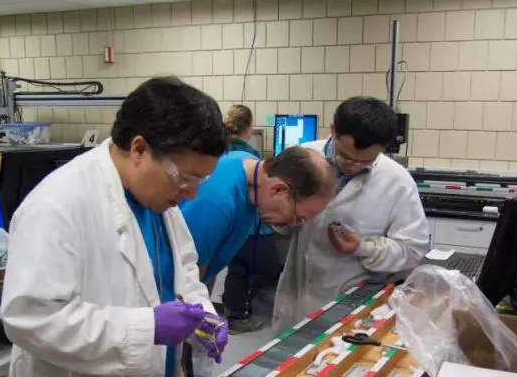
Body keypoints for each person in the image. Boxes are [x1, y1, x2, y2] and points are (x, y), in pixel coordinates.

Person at [0, 77, 229, 377]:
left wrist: (202, 313)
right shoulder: (59, 203)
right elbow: (30, 318)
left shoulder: (159, 202)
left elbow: (184, 273)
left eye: (199, 183)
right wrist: (147, 329)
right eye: (184, 178)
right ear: (140, 148)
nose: (189, 194)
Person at [273, 96, 430, 333]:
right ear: (333, 130)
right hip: (294, 299)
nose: (352, 166)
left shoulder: (397, 181)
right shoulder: (300, 158)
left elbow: (412, 251)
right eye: (345, 156)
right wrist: (285, 219)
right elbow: (277, 222)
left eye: (365, 162)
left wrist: (362, 247)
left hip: (350, 307)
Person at [179, 144, 334, 296]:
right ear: (278, 189)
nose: (292, 225)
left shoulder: (251, 164)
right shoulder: (216, 203)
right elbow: (186, 282)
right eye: (296, 217)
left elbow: (208, 268)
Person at [220, 105, 281, 334]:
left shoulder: (222, 154)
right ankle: (238, 309)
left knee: (237, 268)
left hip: (230, 227)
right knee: (268, 266)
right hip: (252, 228)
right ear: (249, 128)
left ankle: (235, 309)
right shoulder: (251, 159)